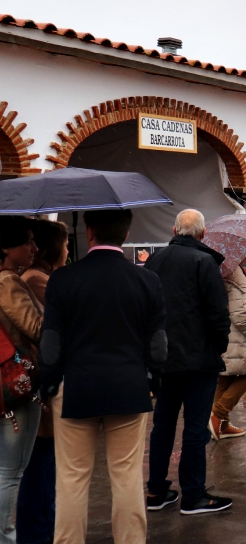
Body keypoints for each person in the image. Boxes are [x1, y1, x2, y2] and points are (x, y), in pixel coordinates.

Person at [39, 209, 166, 542]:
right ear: (126, 234)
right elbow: (157, 343)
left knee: (71, 478)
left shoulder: (63, 279)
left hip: (76, 386)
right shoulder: (146, 280)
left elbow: (51, 340)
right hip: (129, 387)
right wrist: (154, 379)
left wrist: (49, 384)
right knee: (126, 476)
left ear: (90, 232)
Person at [143, 209, 233, 514]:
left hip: (164, 358)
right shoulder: (204, 262)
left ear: (174, 230)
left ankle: (156, 490)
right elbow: (217, 314)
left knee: (163, 424)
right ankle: (193, 494)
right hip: (198, 360)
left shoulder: (154, 261)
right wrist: (217, 347)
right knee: (195, 427)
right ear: (203, 233)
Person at [16, 219, 67, 544]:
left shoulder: (41, 278)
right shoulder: (36, 280)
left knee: (42, 469)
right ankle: (38, 534)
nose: (67, 250)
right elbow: (46, 330)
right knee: (40, 471)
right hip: (40, 386)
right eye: (63, 244)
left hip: (42, 384)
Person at [0, 217, 42, 544]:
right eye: (27, 241)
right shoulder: (8, 283)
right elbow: (36, 329)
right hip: (16, 382)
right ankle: (6, 536)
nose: (34, 248)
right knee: (11, 471)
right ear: (5, 247)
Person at [208, 254, 246, 440]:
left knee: (225, 378)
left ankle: (222, 424)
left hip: (224, 334)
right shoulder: (235, 276)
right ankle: (217, 414)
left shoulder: (222, 271)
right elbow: (240, 316)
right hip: (238, 337)